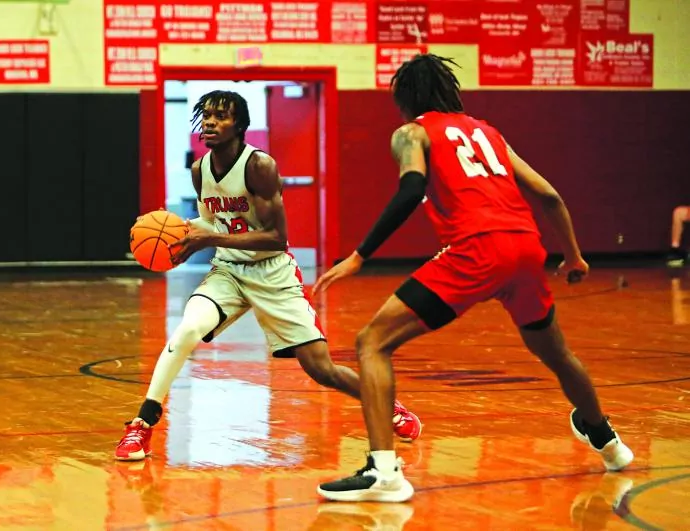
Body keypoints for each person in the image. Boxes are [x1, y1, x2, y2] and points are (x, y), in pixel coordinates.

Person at [313, 54, 634, 503]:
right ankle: (608, 442)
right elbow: (549, 195)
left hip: (476, 250)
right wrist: (574, 256)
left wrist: (360, 255)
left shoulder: (412, 133)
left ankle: (383, 472)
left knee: (372, 343)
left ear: (404, 98)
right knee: (556, 353)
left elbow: (411, 189)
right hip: (526, 248)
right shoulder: (489, 133)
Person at [115, 90, 422, 462]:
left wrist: (210, 238)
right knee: (186, 331)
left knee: (321, 369)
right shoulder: (200, 170)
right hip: (229, 271)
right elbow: (212, 222)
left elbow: (276, 238)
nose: (210, 122)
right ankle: (142, 425)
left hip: (273, 273)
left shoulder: (259, 166)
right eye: (206, 116)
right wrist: (171, 229)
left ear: (239, 125)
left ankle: (389, 406)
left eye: (220, 116)